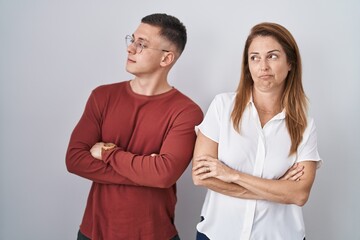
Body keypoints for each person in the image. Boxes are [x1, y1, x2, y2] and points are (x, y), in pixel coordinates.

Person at [66, 13, 203, 240]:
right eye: (132, 40)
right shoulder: (102, 96)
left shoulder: (187, 112)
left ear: (166, 59)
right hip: (94, 232)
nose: (130, 49)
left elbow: (164, 175)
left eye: (141, 45)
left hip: (154, 234)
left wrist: (107, 153)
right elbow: (74, 159)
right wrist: (147, 171)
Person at [192, 22, 322, 240]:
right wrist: (278, 189)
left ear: (290, 62)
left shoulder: (304, 126)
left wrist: (232, 175)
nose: (263, 66)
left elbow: (299, 195)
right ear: (247, 65)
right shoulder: (222, 106)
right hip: (218, 234)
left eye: (272, 56)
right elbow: (201, 177)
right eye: (254, 57)